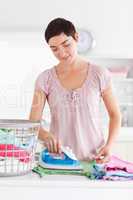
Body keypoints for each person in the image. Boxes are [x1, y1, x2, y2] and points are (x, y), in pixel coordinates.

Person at [29, 18, 121, 163]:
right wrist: (46, 135)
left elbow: (115, 115)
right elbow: (33, 123)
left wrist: (109, 146)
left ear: (76, 37)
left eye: (66, 45)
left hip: (94, 160)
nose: (62, 53)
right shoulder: (44, 79)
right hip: (59, 161)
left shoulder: (99, 74)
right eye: (54, 49)